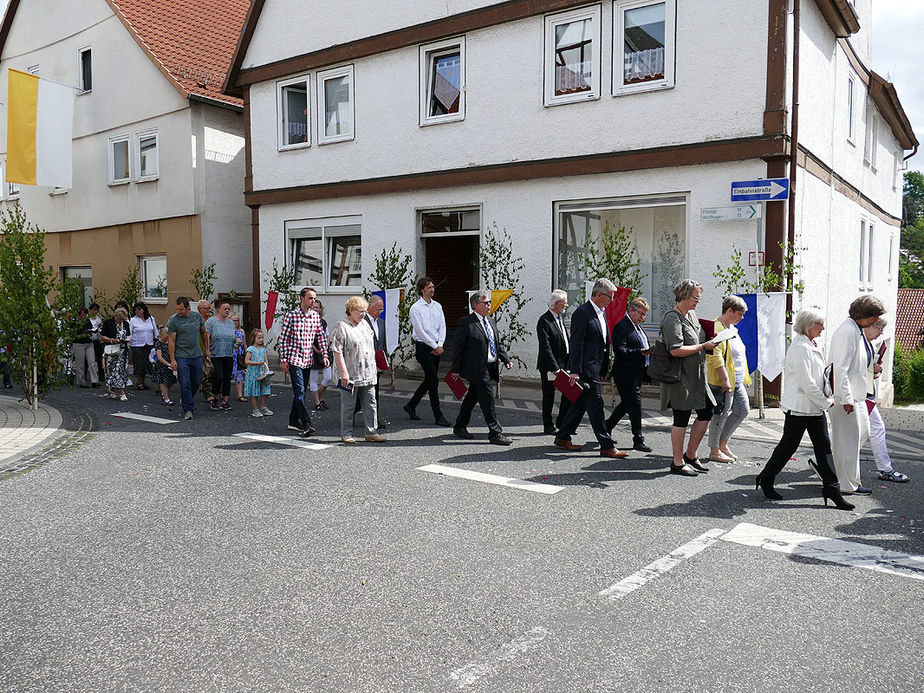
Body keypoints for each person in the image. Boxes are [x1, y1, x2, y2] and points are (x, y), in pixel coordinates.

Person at [756, 309, 854, 510]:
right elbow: (807, 383)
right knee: (788, 447)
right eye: (820, 324)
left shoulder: (812, 344)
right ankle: (766, 477)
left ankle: (832, 489)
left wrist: (826, 396)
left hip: (815, 408)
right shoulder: (800, 348)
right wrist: (826, 402)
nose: (823, 328)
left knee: (824, 448)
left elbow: (819, 377)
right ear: (808, 326)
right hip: (800, 408)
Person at [554, 278, 627, 459]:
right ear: (599, 295)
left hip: (595, 367)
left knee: (580, 404)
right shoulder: (583, 313)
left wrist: (603, 368)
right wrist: (575, 371)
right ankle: (606, 445)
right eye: (610, 296)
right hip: (585, 369)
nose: (612, 300)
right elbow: (576, 343)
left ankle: (563, 436)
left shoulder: (601, 312)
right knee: (596, 406)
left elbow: (602, 342)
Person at [828, 295, 886, 494]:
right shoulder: (848, 332)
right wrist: (846, 398)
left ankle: (837, 474)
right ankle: (846, 483)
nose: (875, 321)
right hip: (846, 397)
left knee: (861, 435)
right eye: (874, 317)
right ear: (863, 315)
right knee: (848, 441)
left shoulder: (856, 330)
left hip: (857, 395)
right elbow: (840, 369)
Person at [659, 279, 717, 476]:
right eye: (696, 297)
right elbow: (675, 350)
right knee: (681, 418)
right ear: (683, 295)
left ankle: (690, 455)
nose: (698, 300)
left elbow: (698, 338)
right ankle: (677, 462)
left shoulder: (692, 314)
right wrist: (703, 347)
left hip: (698, 375)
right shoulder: (672, 319)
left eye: (699, 296)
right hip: (681, 377)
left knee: (707, 411)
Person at [451, 290, 514, 445]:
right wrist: (456, 369)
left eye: (489, 303)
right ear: (475, 305)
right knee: (487, 398)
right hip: (476, 368)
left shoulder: (491, 321)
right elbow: (458, 347)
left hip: (490, 366)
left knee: (472, 397)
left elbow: (497, 343)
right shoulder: (466, 322)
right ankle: (495, 433)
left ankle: (459, 426)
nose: (488, 305)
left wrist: (506, 360)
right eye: (485, 303)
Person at [330, 296, 386, 444]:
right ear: (351, 310)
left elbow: (371, 346)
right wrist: (343, 373)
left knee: (370, 403)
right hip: (350, 373)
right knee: (349, 405)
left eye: (364, 311)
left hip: (368, 372)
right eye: (360, 311)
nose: (362, 314)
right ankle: (347, 433)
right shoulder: (341, 327)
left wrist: (378, 363)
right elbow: (337, 351)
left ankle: (371, 432)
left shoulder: (365, 325)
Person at [862, 317, 909, 483]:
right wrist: (871, 368)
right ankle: (885, 469)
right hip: (858, 394)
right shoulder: (857, 339)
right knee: (868, 429)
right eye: (879, 329)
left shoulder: (872, 342)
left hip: (866, 394)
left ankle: (822, 459)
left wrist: (874, 370)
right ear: (870, 326)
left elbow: (869, 367)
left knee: (865, 429)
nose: (881, 333)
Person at [705, 296, 752, 462]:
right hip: (723, 381)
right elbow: (715, 356)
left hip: (736, 380)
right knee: (721, 415)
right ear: (729, 310)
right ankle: (714, 450)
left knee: (743, 410)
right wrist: (725, 379)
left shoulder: (732, 328)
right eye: (739, 313)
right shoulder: (716, 327)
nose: (742, 317)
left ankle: (722, 443)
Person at [278, 287, 329, 436]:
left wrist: (325, 355)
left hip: (308, 359)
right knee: (299, 391)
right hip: (294, 359)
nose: (313, 301)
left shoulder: (315, 316)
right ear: (302, 299)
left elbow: (320, 337)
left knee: (301, 392)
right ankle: (307, 423)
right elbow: (284, 339)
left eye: (314, 298)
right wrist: (284, 359)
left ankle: (293, 421)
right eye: (310, 298)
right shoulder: (292, 315)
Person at [606, 296, 653, 452]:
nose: (642, 318)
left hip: (636, 373)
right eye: (640, 314)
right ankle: (638, 439)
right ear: (631, 310)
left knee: (627, 404)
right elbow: (620, 350)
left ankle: (606, 426)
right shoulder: (622, 326)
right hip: (625, 374)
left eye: (644, 315)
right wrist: (641, 353)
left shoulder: (637, 327)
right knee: (635, 404)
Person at [404, 276, 450, 426]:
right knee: (433, 381)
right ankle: (438, 415)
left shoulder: (438, 306)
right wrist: (433, 346)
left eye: (433, 287)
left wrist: (440, 344)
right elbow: (420, 331)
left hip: (437, 346)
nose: (432, 289)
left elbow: (442, 326)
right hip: (424, 347)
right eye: (429, 287)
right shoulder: (415, 308)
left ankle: (411, 405)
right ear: (422, 290)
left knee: (430, 380)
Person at [167, 296, 210, 420]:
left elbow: (203, 332)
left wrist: (206, 349)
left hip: (196, 354)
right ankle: (188, 409)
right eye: (177, 309)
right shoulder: (174, 321)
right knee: (185, 383)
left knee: (196, 381)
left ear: (188, 308)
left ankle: (187, 398)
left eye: (181, 309)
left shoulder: (196, 317)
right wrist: (172, 359)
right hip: (182, 356)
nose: (179, 312)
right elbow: (171, 341)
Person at [536, 289, 571, 435]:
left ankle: (562, 422)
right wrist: (554, 367)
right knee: (549, 396)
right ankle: (548, 425)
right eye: (565, 302)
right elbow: (546, 347)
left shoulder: (559, 319)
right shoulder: (544, 321)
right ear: (557, 304)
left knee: (568, 394)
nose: (567, 305)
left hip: (564, 364)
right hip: (550, 367)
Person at [355, 294, 389, 430]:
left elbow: (383, 345)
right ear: (369, 307)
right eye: (378, 309)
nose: (380, 312)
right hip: (364, 364)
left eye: (382, 310)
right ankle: (351, 412)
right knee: (362, 392)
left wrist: (382, 363)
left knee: (375, 393)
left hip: (377, 366)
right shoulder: (362, 322)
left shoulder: (381, 323)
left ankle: (374, 420)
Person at [205, 300, 237, 411]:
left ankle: (225, 400)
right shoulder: (211, 321)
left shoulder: (230, 323)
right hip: (216, 353)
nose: (227, 311)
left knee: (227, 377)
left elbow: (233, 336)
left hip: (228, 353)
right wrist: (207, 350)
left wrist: (236, 341)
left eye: (228, 309)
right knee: (218, 376)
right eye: (225, 309)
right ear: (218, 309)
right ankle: (214, 397)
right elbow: (206, 336)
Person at [100, 306, 132, 401]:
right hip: (112, 351)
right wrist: (112, 340)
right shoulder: (108, 323)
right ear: (116, 316)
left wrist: (128, 340)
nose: (121, 321)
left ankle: (117, 390)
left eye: (123, 319)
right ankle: (117, 390)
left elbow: (128, 335)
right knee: (112, 371)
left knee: (120, 371)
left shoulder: (125, 324)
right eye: (120, 319)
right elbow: (102, 337)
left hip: (122, 351)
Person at [309, 299, 332, 411]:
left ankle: (320, 396)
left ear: (320, 309)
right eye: (313, 307)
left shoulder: (323, 322)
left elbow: (327, 336)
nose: (315, 309)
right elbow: (308, 339)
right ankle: (317, 402)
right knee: (314, 379)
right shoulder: (307, 322)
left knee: (328, 377)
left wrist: (325, 347)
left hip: (324, 352)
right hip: (312, 353)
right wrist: (316, 349)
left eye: (317, 307)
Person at [244, 329, 273, 418]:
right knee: (254, 392)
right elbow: (247, 361)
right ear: (254, 338)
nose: (261, 339)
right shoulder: (250, 349)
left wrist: (266, 370)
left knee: (266, 390)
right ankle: (255, 409)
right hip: (253, 373)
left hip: (261, 372)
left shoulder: (263, 349)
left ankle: (263, 406)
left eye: (262, 338)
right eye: (259, 338)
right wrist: (257, 363)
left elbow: (265, 361)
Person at [129, 302, 157, 390]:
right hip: (137, 344)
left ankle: (143, 381)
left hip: (148, 344)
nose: (137, 311)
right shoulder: (133, 320)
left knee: (146, 363)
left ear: (144, 309)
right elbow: (130, 333)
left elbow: (155, 331)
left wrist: (156, 340)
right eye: (135, 309)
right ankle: (139, 382)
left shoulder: (151, 319)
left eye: (139, 309)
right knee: (139, 363)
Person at [71, 307, 99, 388]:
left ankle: (95, 380)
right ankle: (81, 381)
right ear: (79, 315)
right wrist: (82, 334)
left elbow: (91, 328)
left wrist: (92, 331)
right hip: (79, 343)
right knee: (80, 363)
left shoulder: (87, 321)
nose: (84, 316)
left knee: (92, 362)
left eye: (85, 314)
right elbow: (73, 334)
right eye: (83, 314)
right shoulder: (75, 323)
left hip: (88, 342)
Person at [151, 325, 176, 405]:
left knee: (171, 380)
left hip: (169, 365)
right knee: (163, 382)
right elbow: (159, 357)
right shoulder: (159, 344)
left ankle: (163, 392)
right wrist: (168, 363)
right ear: (160, 336)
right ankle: (166, 398)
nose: (166, 340)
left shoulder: (169, 343)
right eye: (165, 338)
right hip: (162, 366)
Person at [197, 300, 215, 406]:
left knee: (211, 372)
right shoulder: (197, 321)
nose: (209, 310)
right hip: (200, 350)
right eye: (206, 308)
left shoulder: (212, 320)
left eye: (209, 308)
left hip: (213, 350)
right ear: (200, 310)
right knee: (205, 373)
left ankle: (212, 392)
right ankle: (208, 394)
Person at [231, 313, 247, 402]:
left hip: (239, 354)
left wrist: (247, 352)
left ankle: (240, 395)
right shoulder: (228, 330)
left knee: (239, 374)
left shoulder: (241, 331)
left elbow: (244, 343)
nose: (235, 322)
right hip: (230, 353)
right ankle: (222, 394)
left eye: (236, 320)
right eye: (233, 320)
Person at [88, 302, 103, 384]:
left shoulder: (98, 319)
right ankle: (88, 375)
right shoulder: (88, 319)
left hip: (97, 340)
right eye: (94, 310)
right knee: (89, 359)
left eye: (97, 310)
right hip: (90, 340)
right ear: (90, 310)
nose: (95, 312)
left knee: (99, 357)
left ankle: (101, 375)